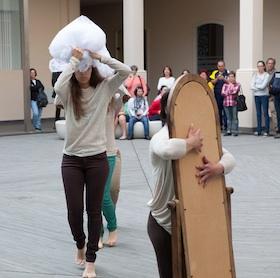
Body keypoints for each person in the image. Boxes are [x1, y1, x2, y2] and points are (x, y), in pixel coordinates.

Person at [54, 48, 130, 278]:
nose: (83, 71)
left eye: (87, 67)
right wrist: (74, 59)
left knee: (94, 211)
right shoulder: (67, 92)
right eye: (79, 67)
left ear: (93, 68)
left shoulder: (104, 89)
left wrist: (99, 57)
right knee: (74, 212)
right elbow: (57, 86)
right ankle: (80, 243)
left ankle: (90, 261)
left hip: (97, 159)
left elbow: (125, 71)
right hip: (72, 160)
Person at [147, 91, 236, 278]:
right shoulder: (161, 136)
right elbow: (167, 149)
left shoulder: (198, 135)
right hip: (163, 223)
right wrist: (190, 142)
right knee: (170, 274)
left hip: (192, 221)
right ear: (168, 108)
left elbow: (230, 158)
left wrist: (216, 168)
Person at [99, 92, 123, 249]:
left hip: (108, 153)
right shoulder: (88, 100)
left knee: (104, 194)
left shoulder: (112, 101)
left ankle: (112, 227)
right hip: (88, 153)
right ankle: (97, 233)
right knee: (93, 198)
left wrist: (106, 68)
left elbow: (122, 86)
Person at [251, 60, 270, 136]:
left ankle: (266, 130)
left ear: (264, 67)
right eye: (258, 66)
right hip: (256, 96)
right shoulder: (255, 75)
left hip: (264, 96)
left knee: (265, 113)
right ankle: (259, 130)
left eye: (261, 66)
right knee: (258, 113)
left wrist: (256, 87)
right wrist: (257, 87)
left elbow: (263, 86)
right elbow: (251, 85)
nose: (259, 68)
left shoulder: (266, 75)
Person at [210, 61, 229, 130]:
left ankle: (227, 126)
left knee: (226, 111)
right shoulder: (215, 73)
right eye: (219, 66)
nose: (220, 67)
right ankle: (220, 126)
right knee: (218, 110)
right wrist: (217, 78)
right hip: (217, 94)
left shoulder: (227, 72)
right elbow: (211, 82)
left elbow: (230, 82)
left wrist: (224, 79)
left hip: (226, 95)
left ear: (224, 66)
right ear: (217, 66)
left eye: (222, 66)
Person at [221, 71, 240, 136]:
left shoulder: (237, 84)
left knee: (235, 117)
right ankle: (229, 130)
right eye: (229, 77)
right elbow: (223, 93)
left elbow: (234, 91)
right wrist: (229, 91)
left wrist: (228, 91)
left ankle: (235, 131)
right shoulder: (225, 85)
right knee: (228, 118)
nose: (231, 78)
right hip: (226, 103)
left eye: (232, 76)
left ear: (235, 77)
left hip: (234, 103)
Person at [266, 58, 277, 134]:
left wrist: (273, 96)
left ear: (274, 64)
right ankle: (268, 129)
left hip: (272, 96)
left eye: (271, 63)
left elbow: (276, 86)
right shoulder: (264, 73)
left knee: (273, 112)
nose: (270, 65)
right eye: (269, 63)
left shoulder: (276, 73)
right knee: (265, 113)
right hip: (264, 95)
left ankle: (276, 129)